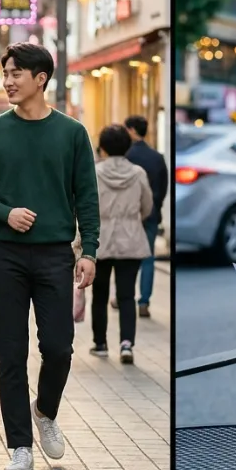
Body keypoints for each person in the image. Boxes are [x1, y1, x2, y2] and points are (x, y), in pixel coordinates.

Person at [0, 42, 100, 470]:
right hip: (4, 254)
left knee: (58, 347)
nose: (8, 81)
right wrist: (5, 212)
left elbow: (87, 197)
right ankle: (19, 444)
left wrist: (90, 250)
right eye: (5, 73)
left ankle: (46, 412)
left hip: (57, 253)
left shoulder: (72, 133)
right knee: (10, 351)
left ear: (41, 78)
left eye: (16, 73)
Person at [89, 124, 152, 363]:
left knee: (100, 293)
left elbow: (85, 206)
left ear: (102, 147)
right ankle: (127, 345)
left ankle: (100, 343)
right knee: (127, 295)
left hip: (100, 239)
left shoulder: (94, 172)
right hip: (131, 239)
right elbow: (147, 206)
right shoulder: (138, 173)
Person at [122, 115, 167, 317]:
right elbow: (163, 188)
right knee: (148, 259)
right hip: (150, 215)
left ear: (132, 130)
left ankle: (124, 297)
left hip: (128, 216)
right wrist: (154, 207)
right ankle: (144, 302)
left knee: (126, 259)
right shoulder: (157, 157)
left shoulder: (126, 156)